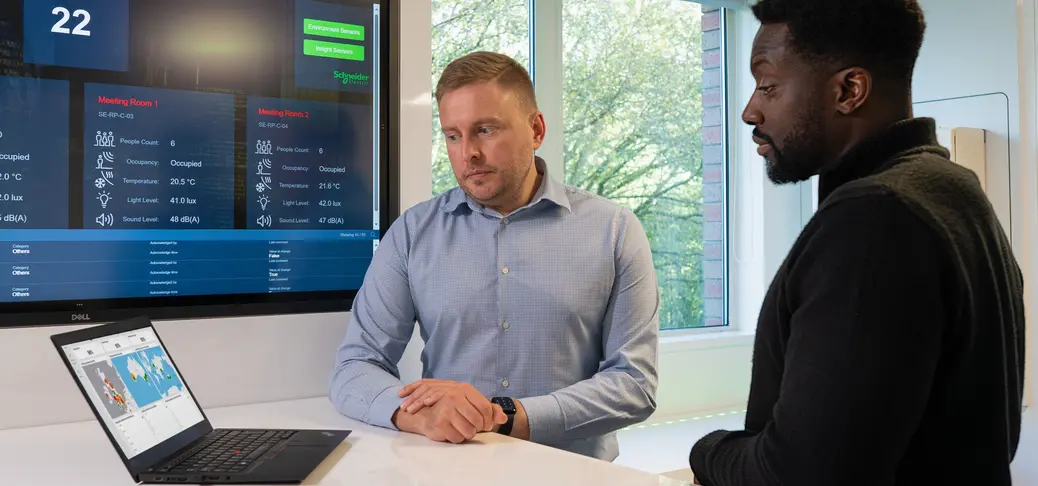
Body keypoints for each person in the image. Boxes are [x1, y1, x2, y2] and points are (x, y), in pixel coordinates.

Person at [688, 1, 1026, 485]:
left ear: (849, 90)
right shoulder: (953, 190)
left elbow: (801, 476)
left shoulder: (875, 218)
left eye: (768, 86)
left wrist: (708, 452)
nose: (749, 111)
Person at [328, 51, 660, 462]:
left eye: (484, 130)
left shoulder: (615, 231)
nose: (468, 153)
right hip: (448, 470)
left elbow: (634, 386)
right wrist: (416, 415)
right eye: (453, 135)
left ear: (536, 129)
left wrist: (504, 416)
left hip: (572, 474)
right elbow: (355, 367)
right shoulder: (413, 233)